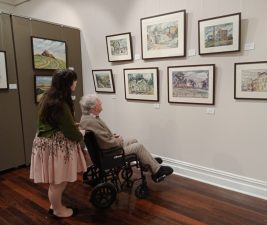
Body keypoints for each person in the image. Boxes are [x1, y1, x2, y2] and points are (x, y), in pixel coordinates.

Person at [30, 69, 87, 218]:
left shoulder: (49, 98)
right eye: (74, 80)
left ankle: (54, 205)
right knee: (59, 181)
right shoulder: (61, 103)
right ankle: (58, 210)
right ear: (67, 83)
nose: (76, 82)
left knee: (56, 180)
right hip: (54, 145)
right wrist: (81, 134)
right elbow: (69, 132)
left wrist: (69, 125)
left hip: (45, 143)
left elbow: (55, 122)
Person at [79, 94, 173, 182]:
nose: (101, 104)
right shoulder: (92, 121)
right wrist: (118, 140)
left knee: (133, 140)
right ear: (93, 107)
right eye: (100, 103)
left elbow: (101, 136)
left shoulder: (87, 118)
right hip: (110, 153)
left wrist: (113, 136)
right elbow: (107, 143)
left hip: (106, 150)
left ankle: (147, 163)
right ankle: (157, 171)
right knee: (138, 146)